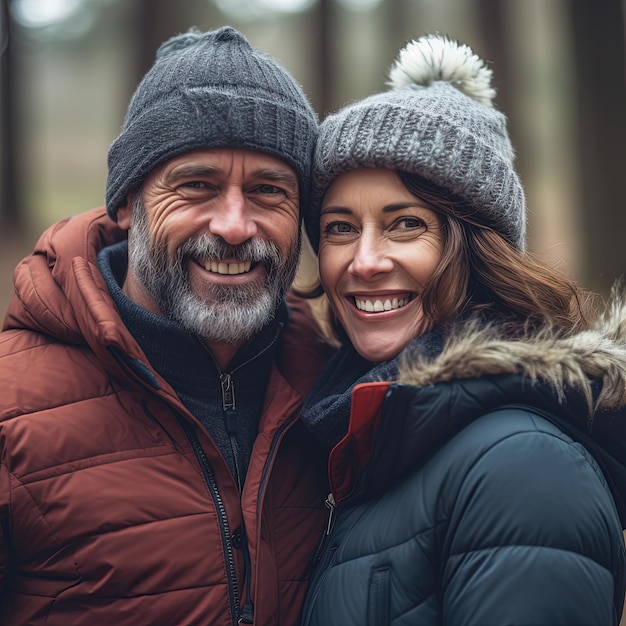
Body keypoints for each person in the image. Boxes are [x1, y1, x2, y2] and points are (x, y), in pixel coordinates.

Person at [0, 26, 335, 625]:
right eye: (196, 186)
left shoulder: (338, 396)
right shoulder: (12, 407)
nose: (235, 226)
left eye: (268, 191)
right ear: (128, 204)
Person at [299, 34, 626, 625]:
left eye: (405, 224)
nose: (364, 261)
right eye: (340, 228)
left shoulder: (524, 466)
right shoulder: (364, 437)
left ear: (479, 251)